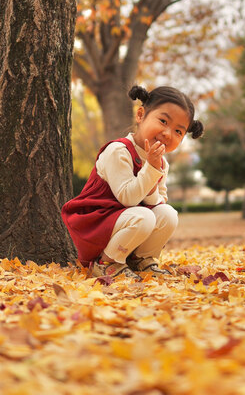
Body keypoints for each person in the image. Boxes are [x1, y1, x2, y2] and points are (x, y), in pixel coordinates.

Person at [62, 84, 204, 280]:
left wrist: (154, 171)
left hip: (126, 224)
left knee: (168, 214)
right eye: (163, 121)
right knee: (144, 216)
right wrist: (151, 171)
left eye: (178, 132)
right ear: (140, 115)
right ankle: (106, 263)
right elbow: (128, 198)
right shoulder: (119, 151)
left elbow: (158, 201)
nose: (167, 133)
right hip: (97, 222)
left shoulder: (161, 163)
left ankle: (141, 260)